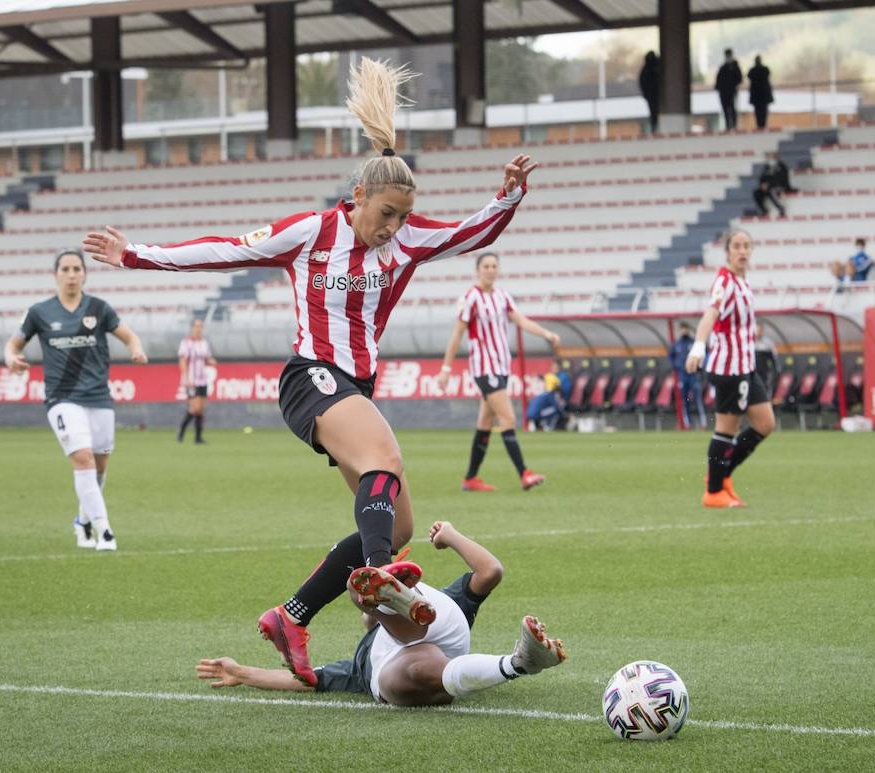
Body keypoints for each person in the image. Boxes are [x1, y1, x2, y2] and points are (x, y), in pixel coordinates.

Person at [83, 58, 537, 686]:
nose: (394, 227)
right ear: (357, 199)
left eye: (403, 217)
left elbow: (471, 231)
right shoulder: (310, 233)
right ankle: (380, 581)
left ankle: (292, 614)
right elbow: (228, 249)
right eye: (385, 213)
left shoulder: (403, 244)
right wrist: (136, 255)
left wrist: (509, 193)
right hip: (311, 377)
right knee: (386, 463)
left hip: (354, 387)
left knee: (400, 523)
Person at [196, 521, 566, 707]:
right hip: (417, 656)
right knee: (415, 666)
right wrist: (241, 673)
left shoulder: (359, 665)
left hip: (430, 629)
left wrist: (451, 535)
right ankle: (518, 662)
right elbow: (305, 680)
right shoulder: (361, 666)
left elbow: (492, 572)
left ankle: (379, 600)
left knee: (394, 646)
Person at [4, 250, 148, 552]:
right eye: (66, 269)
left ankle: (82, 521)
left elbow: (128, 335)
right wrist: (11, 358)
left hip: (99, 398)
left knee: (100, 465)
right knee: (82, 458)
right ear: (56, 274)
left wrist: (136, 349)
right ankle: (104, 531)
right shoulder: (39, 312)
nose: (71, 274)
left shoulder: (99, 308)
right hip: (62, 398)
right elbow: (14, 343)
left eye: (76, 269)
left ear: (84, 274)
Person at [439, 252, 560, 493]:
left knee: (485, 422)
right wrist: (446, 368)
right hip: (485, 368)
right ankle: (524, 473)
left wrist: (546, 334)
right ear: (478, 270)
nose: (491, 270)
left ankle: (471, 478)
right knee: (508, 419)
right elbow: (458, 333)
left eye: (494, 266)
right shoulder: (471, 298)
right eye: (486, 266)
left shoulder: (502, 296)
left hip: (501, 366)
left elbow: (521, 320)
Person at [685, 229, 773, 508]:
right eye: (737, 246)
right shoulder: (724, 281)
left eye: (747, 245)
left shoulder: (743, 281)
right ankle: (713, 491)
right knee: (726, 429)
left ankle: (722, 474)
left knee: (765, 423)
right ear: (728, 251)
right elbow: (711, 313)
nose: (743, 251)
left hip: (747, 365)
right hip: (729, 367)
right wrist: (699, 346)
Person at [177, 319, 217, 444]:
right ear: (192, 328)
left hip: (203, 380)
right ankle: (181, 432)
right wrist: (186, 377)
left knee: (201, 409)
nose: (199, 329)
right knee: (194, 408)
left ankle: (198, 438)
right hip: (192, 380)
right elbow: (183, 360)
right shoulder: (186, 343)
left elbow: (205, 358)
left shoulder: (204, 343)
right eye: (197, 326)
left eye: (201, 326)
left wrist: (210, 361)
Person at [669, 321, 706, 430]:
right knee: (684, 400)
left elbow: (703, 354)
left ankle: (702, 424)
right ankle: (687, 424)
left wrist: (699, 367)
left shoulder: (694, 343)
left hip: (694, 375)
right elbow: (671, 357)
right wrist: (678, 366)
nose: (684, 331)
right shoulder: (676, 344)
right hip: (682, 376)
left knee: (698, 399)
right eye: (682, 329)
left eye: (685, 328)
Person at [715, 49, 743, 131]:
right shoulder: (723, 67)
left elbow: (739, 79)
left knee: (732, 108)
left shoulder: (735, 67)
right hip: (723, 93)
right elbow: (718, 80)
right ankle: (728, 125)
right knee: (725, 109)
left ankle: (734, 125)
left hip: (732, 92)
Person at [747, 55, 773, 130]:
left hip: (762, 95)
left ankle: (762, 125)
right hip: (758, 95)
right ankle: (760, 125)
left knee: (762, 111)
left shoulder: (763, 70)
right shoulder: (755, 70)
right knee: (759, 111)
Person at [638, 51, 660, 134]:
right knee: (654, 114)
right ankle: (654, 129)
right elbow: (643, 84)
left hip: (654, 96)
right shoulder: (646, 71)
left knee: (654, 113)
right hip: (651, 96)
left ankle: (654, 128)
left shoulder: (650, 69)